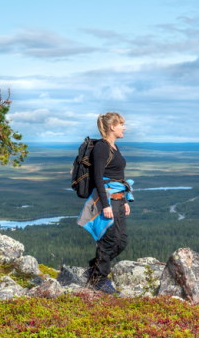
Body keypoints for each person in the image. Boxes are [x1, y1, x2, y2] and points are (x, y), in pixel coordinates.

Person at [86, 111, 131, 294]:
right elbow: (98, 177)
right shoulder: (102, 147)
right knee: (109, 240)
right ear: (112, 127)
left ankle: (95, 268)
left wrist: (126, 199)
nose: (124, 127)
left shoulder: (114, 147)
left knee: (121, 241)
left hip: (119, 200)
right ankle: (99, 279)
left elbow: (119, 177)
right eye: (121, 124)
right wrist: (105, 205)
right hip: (107, 200)